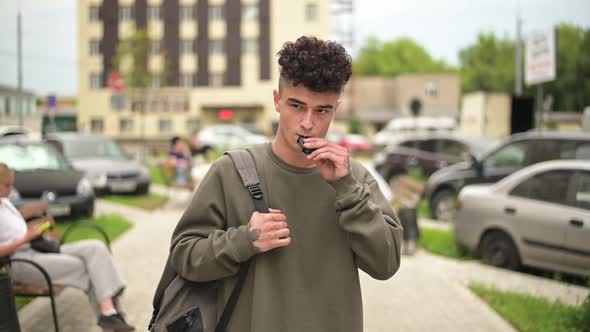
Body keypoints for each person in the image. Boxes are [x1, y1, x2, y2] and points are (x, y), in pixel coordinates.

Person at [169, 36, 403, 332]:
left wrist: (347, 190)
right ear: (277, 101)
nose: (307, 123)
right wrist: (244, 241)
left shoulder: (355, 178)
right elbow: (184, 255)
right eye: (297, 105)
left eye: (322, 110)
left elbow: (386, 265)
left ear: (336, 108)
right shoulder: (231, 171)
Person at [0, 163, 135, 332]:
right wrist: (25, 238)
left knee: (96, 247)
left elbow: (15, 231)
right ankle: (113, 316)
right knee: (88, 267)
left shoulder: (5, 203)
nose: (11, 189)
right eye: (7, 185)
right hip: (22, 262)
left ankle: (110, 314)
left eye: (12, 184)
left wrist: (34, 230)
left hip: (40, 247)